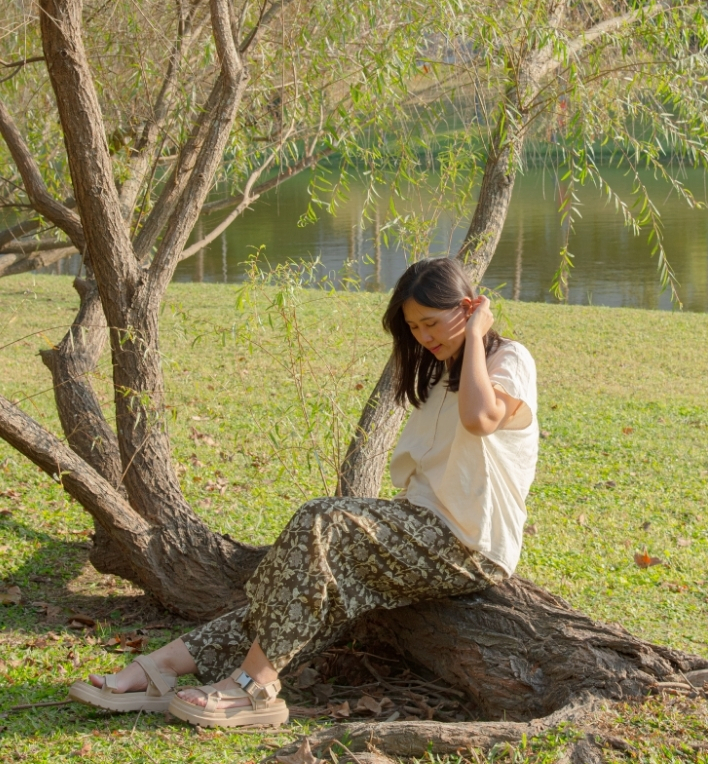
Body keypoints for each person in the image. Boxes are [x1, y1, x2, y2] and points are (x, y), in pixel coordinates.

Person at [69, 257, 539, 728]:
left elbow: (480, 420)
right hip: (421, 531)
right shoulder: (439, 373)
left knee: (322, 520)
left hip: (470, 545)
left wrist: (476, 334)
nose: (424, 336)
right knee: (297, 593)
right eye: (414, 327)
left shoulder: (505, 359)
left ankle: (255, 689)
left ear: (469, 307)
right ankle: (164, 669)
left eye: (432, 323)